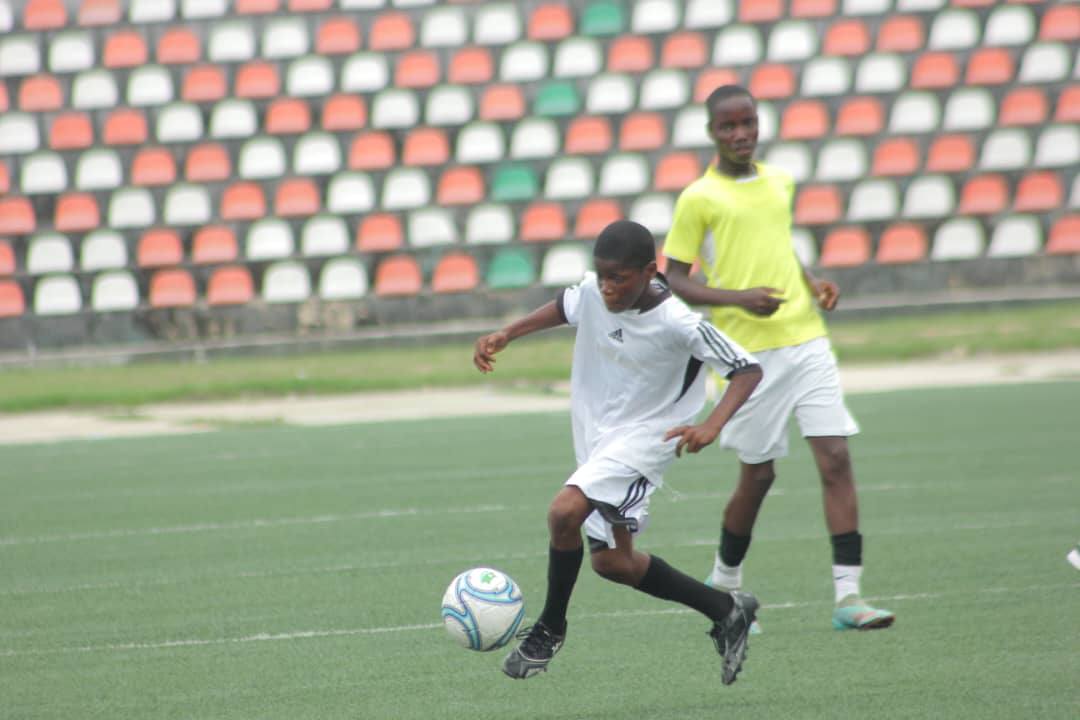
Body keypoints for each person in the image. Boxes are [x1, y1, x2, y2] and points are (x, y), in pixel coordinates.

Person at [473, 220, 763, 683]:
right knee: (613, 563)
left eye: (619, 278)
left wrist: (712, 424)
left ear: (650, 271)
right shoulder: (594, 291)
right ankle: (726, 610)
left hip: (648, 438)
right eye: (602, 276)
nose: (607, 288)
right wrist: (508, 334)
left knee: (563, 511)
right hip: (598, 436)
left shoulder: (678, 322)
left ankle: (550, 628)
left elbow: (746, 368)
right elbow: (567, 305)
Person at [661, 84, 896, 632]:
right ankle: (724, 586)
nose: (740, 134)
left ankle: (848, 598)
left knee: (835, 458)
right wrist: (739, 299)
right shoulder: (698, 198)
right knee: (759, 476)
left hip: (807, 338)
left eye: (748, 123)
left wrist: (812, 282)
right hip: (749, 358)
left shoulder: (779, 181)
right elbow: (672, 278)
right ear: (711, 133)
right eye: (728, 126)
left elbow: (778, 244)